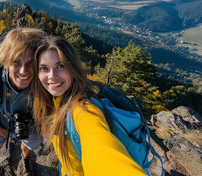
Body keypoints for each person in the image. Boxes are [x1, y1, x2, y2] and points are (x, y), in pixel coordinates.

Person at [32, 36, 147, 176]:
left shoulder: (84, 109)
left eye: (60, 66)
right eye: (44, 68)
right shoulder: (54, 101)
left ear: (72, 68)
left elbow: (100, 147)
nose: (52, 76)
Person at [0, 28, 46, 176]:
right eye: (16, 62)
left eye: (31, 63)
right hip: (3, 123)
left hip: (31, 125)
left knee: (29, 146)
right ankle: (0, 173)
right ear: (6, 61)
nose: (23, 71)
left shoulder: (43, 82)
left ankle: (26, 157)